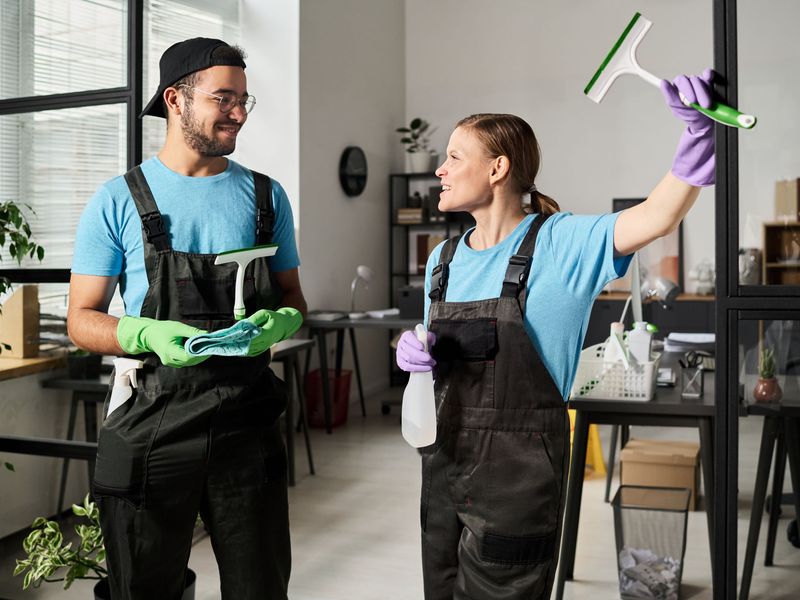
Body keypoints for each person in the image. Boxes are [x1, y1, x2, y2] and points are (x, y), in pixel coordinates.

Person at [395, 70, 716, 599]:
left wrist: (698, 136)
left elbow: (658, 216)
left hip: (518, 481)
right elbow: (436, 357)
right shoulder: (442, 259)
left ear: (497, 168)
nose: (439, 169)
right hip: (443, 469)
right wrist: (414, 353)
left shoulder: (561, 243)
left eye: (453, 156)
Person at [67, 38, 306, 600]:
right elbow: (81, 319)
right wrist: (143, 333)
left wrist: (280, 323)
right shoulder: (117, 200)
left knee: (260, 588)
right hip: (154, 418)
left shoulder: (266, 197)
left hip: (247, 420)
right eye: (224, 98)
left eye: (244, 100)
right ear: (175, 99)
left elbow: (294, 297)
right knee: (144, 588)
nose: (239, 113)